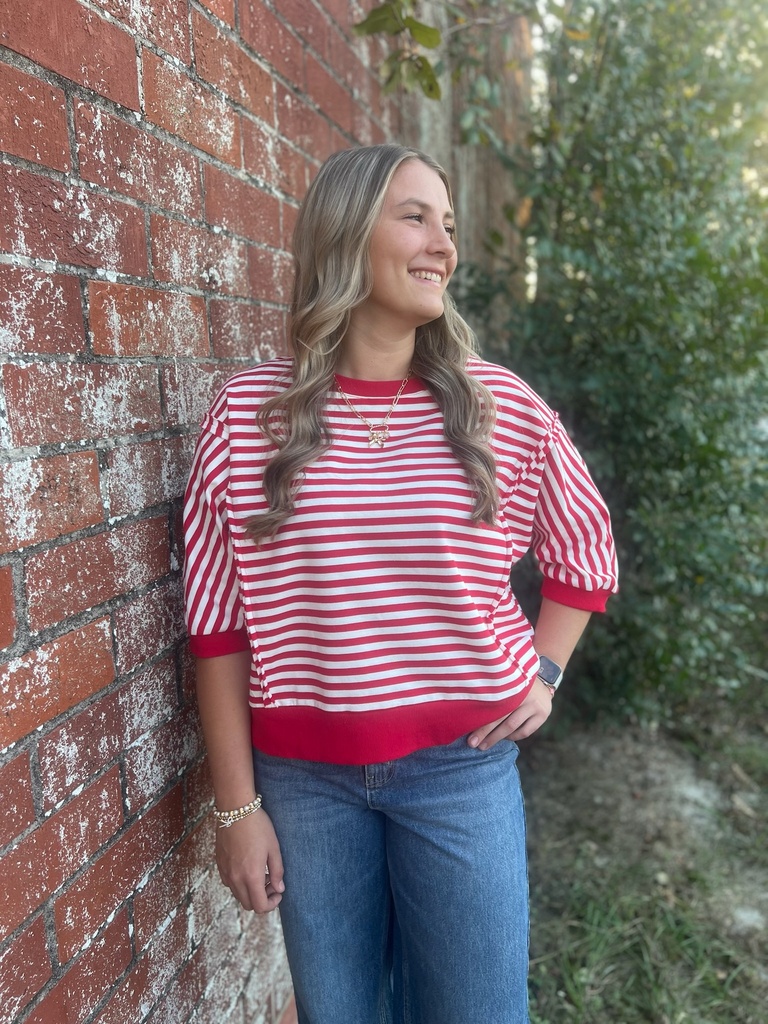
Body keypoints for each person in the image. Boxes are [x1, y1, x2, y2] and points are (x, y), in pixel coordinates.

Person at [183, 143, 618, 1024]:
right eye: (415, 216)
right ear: (345, 235)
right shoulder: (247, 417)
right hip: (303, 786)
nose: (443, 245)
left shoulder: (499, 409)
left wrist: (547, 670)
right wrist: (237, 809)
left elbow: (585, 550)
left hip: (462, 772)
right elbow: (218, 624)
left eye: (449, 225)